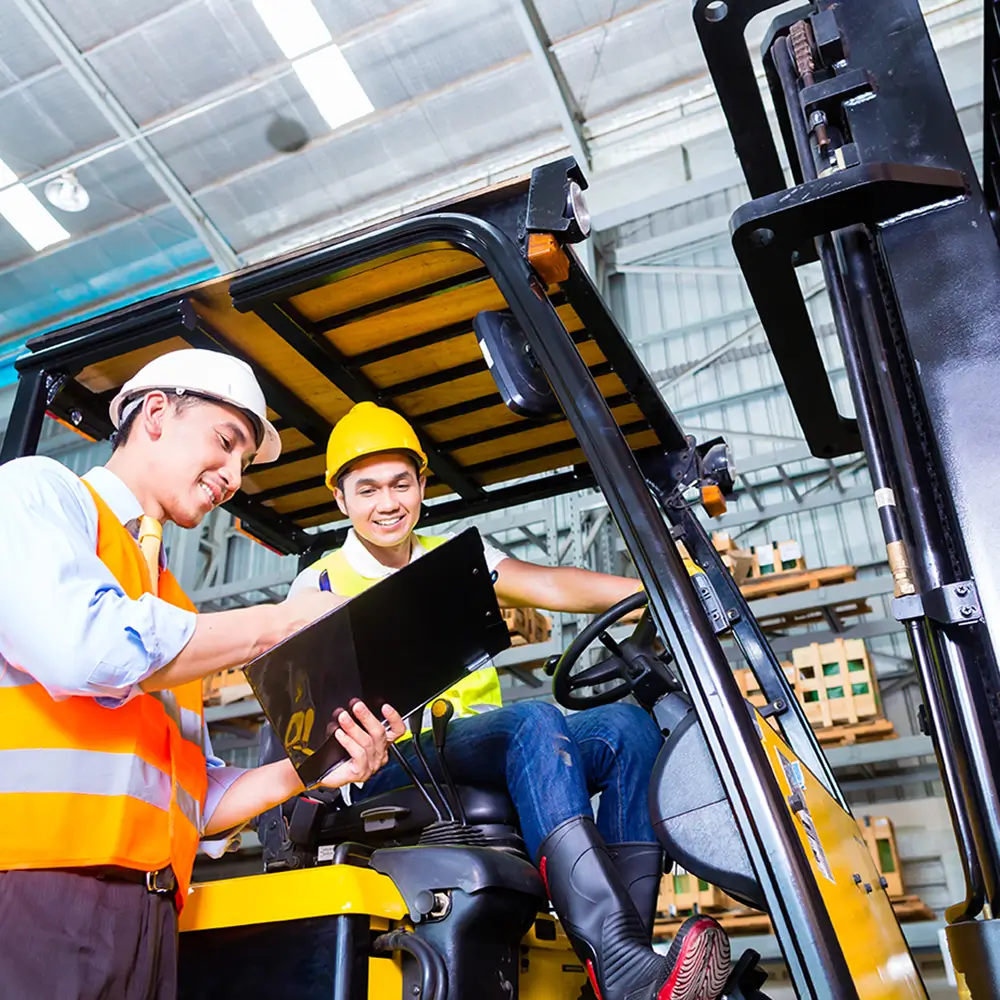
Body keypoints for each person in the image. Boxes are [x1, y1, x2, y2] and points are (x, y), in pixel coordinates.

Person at [287, 401, 731, 1000]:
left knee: (627, 728)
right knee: (534, 720)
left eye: (400, 484)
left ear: (422, 484)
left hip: (474, 743)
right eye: (367, 490)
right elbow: (309, 717)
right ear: (341, 499)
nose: (387, 503)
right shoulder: (319, 585)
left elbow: (548, 582)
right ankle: (615, 953)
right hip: (388, 760)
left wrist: (662, 593)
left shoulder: (453, 557)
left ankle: (625, 964)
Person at [0, 350, 405, 1000]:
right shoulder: (37, 495)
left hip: (153, 912)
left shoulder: (175, 611)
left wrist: (315, 770)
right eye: (225, 443)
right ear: (155, 413)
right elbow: (84, 651)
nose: (232, 477)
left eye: (243, 462)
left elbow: (200, 798)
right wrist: (280, 622)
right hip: (38, 889)